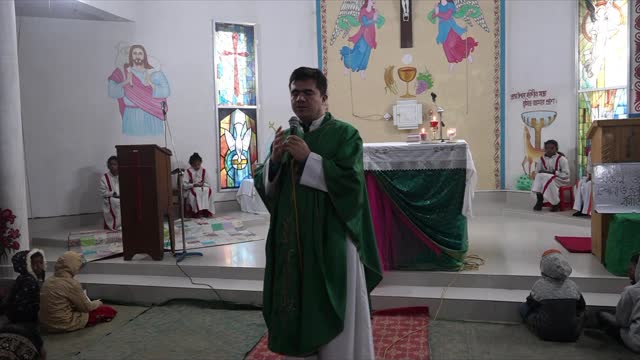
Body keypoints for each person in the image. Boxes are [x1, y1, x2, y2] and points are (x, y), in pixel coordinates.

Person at [254, 67, 383, 358]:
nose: (300, 98)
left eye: (307, 92)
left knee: (332, 308)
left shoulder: (345, 135)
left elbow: (352, 186)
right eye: (295, 92)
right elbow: (269, 186)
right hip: (292, 243)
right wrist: (274, 162)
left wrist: (309, 159)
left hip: (331, 239)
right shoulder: (287, 136)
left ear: (324, 97)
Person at [39, 252, 117, 333]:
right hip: (63, 323)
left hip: (46, 324)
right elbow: (86, 307)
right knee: (108, 310)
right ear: (73, 266)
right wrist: (99, 302)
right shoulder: (71, 284)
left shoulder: (48, 281)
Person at [519, 249, 586, 342]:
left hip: (544, 333)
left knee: (523, 307)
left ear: (543, 266)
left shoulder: (539, 285)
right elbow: (581, 306)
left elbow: (530, 304)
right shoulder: (572, 285)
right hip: (572, 334)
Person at [107, 44, 170, 136]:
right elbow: (112, 92)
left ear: (144, 56)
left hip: (152, 115)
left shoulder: (154, 73)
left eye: (140, 53)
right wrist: (126, 82)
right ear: (131, 56)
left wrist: (151, 83)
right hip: (131, 116)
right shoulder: (122, 72)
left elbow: (166, 91)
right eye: (135, 53)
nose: (137, 56)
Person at [598, 254, 640, 352]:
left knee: (601, 314)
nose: (629, 273)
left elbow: (621, 321)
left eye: (631, 269)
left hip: (636, 341)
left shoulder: (632, 291)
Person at [432, 0, 478, 72]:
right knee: (446, 48)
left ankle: (467, 53)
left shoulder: (450, 5)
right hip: (442, 30)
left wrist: (438, 13)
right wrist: (436, 10)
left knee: (453, 45)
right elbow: (433, 16)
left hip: (451, 28)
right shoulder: (438, 5)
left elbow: (447, 16)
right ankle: (451, 62)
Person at [4, 249, 46, 324]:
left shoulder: (23, 277)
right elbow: (23, 307)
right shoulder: (29, 281)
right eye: (34, 263)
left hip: (14, 316)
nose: (39, 266)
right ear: (26, 265)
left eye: (41, 262)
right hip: (22, 320)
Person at [340, 0, 378, 79]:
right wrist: (374, 19)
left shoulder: (374, 11)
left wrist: (376, 16)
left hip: (371, 35)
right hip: (363, 35)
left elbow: (375, 21)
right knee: (359, 52)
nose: (374, 1)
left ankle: (362, 70)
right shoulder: (363, 10)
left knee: (366, 54)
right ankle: (347, 65)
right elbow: (365, 23)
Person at [532, 140, 570, 212]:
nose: (549, 150)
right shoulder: (541, 159)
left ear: (556, 149)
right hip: (547, 179)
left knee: (547, 178)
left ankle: (555, 203)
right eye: (547, 148)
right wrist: (543, 173)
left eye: (552, 148)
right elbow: (537, 172)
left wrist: (553, 172)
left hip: (561, 180)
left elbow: (566, 174)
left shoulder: (562, 159)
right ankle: (539, 199)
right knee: (539, 176)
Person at [183, 153, 215, 218]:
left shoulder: (204, 171)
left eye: (198, 164)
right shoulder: (187, 171)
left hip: (202, 188)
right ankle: (196, 212)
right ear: (191, 164)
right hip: (191, 189)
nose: (197, 167)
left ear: (201, 163)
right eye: (195, 165)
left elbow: (208, 184)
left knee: (208, 190)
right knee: (196, 191)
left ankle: (205, 211)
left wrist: (203, 184)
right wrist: (194, 184)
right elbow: (184, 185)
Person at [99, 156, 121, 230]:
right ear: (108, 166)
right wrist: (112, 193)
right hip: (111, 198)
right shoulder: (104, 178)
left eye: (115, 164)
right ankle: (115, 226)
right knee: (115, 201)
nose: (113, 166)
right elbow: (103, 192)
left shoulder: (123, 175)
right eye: (111, 164)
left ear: (118, 165)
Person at [573, 151, 592, 217]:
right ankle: (580, 208)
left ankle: (588, 210)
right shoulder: (591, 152)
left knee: (589, 186)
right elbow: (589, 166)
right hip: (591, 176)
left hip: (600, 177)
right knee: (579, 183)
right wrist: (589, 175)